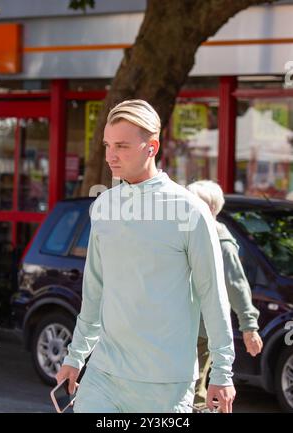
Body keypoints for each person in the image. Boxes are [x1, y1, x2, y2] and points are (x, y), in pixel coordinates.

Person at [56, 100, 236, 413]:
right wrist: (75, 357)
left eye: (122, 146)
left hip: (165, 384)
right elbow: (94, 293)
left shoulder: (189, 211)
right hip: (104, 376)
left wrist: (222, 371)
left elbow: (213, 295)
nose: (110, 156)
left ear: (151, 147)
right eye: (108, 145)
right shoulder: (103, 207)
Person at [187, 180, 263, 407]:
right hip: (178, 326)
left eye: (192, 204)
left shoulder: (221, 242)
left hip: (200, 330)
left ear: (209, 209)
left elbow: (236, 285)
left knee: (193, 386)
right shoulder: (190, 234)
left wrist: (249, 326)